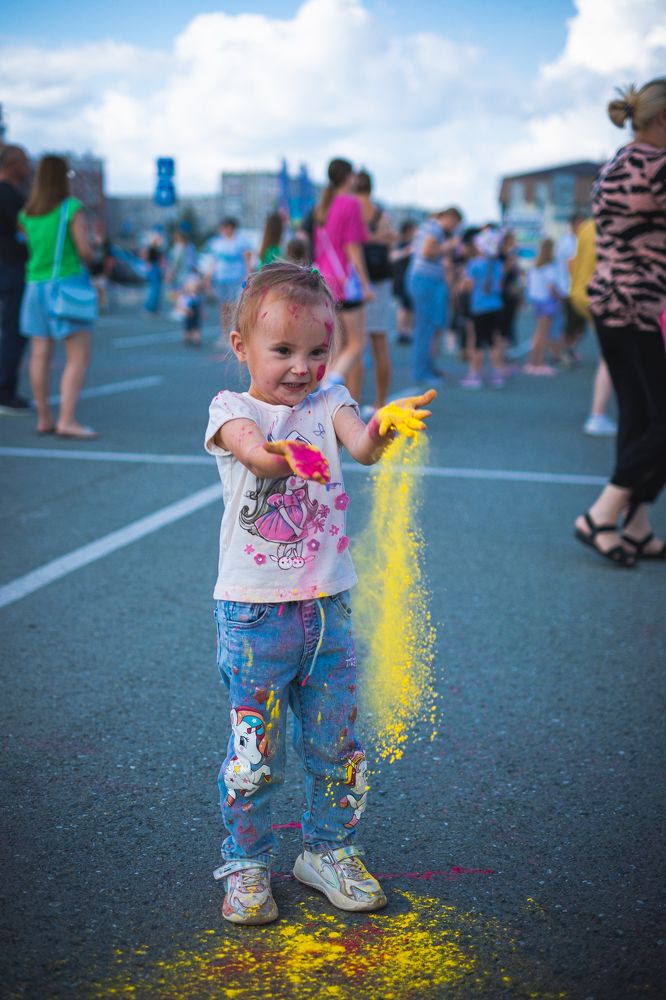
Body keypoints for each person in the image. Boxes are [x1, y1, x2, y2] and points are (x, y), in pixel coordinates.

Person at [204, 261, 436, 924]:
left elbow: (361, 449)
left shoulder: (330, 399)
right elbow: (256, 455)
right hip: (254, 614)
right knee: (254, 751)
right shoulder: (232, 411)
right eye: (283, 351)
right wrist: (291, 457)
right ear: (241, 346)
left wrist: (386, 424)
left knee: (337, 745)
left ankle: (328, 850)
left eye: (317, 351)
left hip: (329, 609)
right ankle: (246, 863)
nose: (302, 367)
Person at [575, 78, 666, 566]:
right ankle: (602, 514)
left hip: (612, 304)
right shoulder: (658, 167)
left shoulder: (617, 161)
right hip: (641, 307)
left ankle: (635, 523)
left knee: (639, 416)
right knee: (659, 421)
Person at [18, 154, 97, 439]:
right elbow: (85, 252)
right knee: (77, 356)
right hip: (66, 286)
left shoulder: (27, 214)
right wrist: (94, 247)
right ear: (63, 177)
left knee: (39, 353)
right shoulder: (70, 208)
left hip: (34, 286)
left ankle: (44, 418)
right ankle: (67, 420)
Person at [313, 158, 372, 401]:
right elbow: (353, 248)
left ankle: (329, 389)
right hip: (345, 281)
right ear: (349, 177)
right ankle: (331, 383)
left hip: (325, 279)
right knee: (357, 344)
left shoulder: (323, 206)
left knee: (337, 343)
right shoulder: (350, 203)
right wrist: (366, 284)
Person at [568, 217, 618, 436]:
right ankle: (598, 414)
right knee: (614, 356)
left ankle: (599, 413)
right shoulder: (621, 223)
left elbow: (573, 263)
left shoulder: (588, 226)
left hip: (583, 294)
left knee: (610, 355)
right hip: (608, 297)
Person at [354, 169, 397, 416]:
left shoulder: (351, 210)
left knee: (353, 343)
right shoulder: (380, 212)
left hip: (358, 280)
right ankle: (381, 400)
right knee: (379, 342)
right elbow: (392, 237)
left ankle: (352, 399)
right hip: (381, 280)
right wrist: (378, 237)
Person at [406, 207, 462, 385]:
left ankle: (427, 368)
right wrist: (449, 246)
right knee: (425, 328)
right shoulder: (435, 229)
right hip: (425, 281)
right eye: (455, 223)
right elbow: (427, 252)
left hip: (424, 280)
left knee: (427, 327)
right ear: (450, 218)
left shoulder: (430, 227)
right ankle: (422, 372)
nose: (454, 228)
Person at [0, 144, 31, 415]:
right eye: (23, 161)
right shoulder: (8, 194)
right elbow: (27, 228)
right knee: (13, 330)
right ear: (11, 164)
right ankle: (5, 392)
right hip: (11, 267)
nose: (28, 166)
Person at [460, 228, 506, 389]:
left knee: (477, 343)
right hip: (496, 306)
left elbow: (468, 286)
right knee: (494, 341)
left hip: (479, 308)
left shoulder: (473, 265)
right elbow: (499, 285)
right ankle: (497, 374)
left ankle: (475, 374)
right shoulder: (499, 264)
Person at [208, 217, 253, 346]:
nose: (224, 230)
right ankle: (224, 334)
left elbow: (248, 259)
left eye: (226, 227)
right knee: (223, 307)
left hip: (236, 279)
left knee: (235, 307)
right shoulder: (217, 243)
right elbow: (213, 262)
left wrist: (249, 275)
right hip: (221, 278)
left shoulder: (241, 242)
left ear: (232, 228)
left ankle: (235, 333)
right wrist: (208, 277)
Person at [524, 237, 561, 375]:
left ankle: (532, 362)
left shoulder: (536, 266)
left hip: (537, 301)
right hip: (547, 302)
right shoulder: (549, 267)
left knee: (538, 334)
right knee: (543, 334)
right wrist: (560, 297)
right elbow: (552, 287)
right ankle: (538, 363)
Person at [391, 219, 416, 345]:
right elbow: (392, 257)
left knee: (410, 307)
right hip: (400, 280)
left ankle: (408, 331)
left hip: (411, 280)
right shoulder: (399, 243)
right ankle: (401, 332)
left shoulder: (415, 244)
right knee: (402, 307)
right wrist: (406, 251)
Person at [178, 271, 204, 347]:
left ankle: (196, 339)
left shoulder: (198, 297)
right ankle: (187, 339)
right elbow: (181, 305)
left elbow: (200, 306)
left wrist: (202, 313)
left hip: (196, 316)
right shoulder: (186, 297)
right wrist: (185, 310)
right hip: (188, 316)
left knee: (196, 328)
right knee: (187, 328)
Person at [143, 234, 164, 316]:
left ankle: (154, 308)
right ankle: (149, 308)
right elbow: (147, 259)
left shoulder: (158, 249)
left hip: (156, 268)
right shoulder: (151, 248)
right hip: (153, 268)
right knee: (153, 290)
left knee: (157, 290)